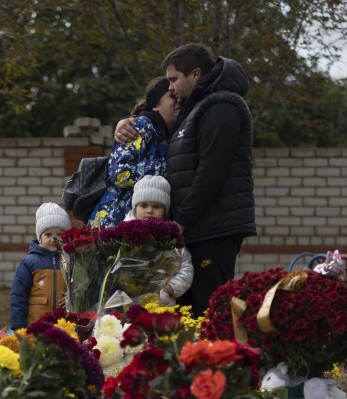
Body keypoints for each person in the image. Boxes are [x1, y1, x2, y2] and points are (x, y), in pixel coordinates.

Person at [114, 43, 256, 316]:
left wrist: (181, 220)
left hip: (214, 227)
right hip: (197, 226)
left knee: (208, 312)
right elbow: (160, 126)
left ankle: (216, 358)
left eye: (173, 79)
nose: (170, 88)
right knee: (187, 315)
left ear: (196, 74)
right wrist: (127, 122)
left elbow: (212, 172)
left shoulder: (221, 107)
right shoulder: (197, 107)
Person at [87, 76, 178, 228]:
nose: (179, 100)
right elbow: (120, 173)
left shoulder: (166, 133)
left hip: (138, 225)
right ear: (156, 105)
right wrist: (169, 166)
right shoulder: (141, 126)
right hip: (114, 222)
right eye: (172, 96)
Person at [123, 175, 193, 306]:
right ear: (134, 208)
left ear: (164, 211)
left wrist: (171, 288)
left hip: (162, 304)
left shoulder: (172, 239)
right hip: (127, 303)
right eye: (143, 205)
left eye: (156, 206)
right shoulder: (122, 236)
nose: (149, 211)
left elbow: (186, 267)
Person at [10, 202, 71, 330]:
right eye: (48, 234)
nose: (53, 239)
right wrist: (18, 326)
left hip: (64, 327)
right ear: (40, 238)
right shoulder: (29, 263)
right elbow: (18, 296)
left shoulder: (71, 261)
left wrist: (71, 297)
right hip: (35, 327)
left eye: (59, 234)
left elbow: (78, 288)